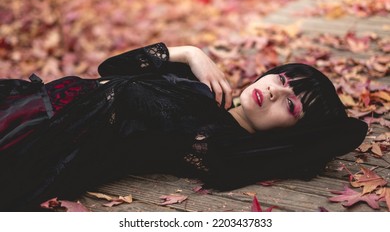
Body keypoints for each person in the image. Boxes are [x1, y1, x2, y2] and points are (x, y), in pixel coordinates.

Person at [0, 42, 367, 211]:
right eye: (281, 78)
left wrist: (317, 125)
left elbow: (345, 134)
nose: (272, 90)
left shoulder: (220, 144)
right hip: (36, 101)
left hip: (43, 137)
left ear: (295, 132)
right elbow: (110, 68)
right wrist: (192, 52)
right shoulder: (208, 90)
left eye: (290, 103)